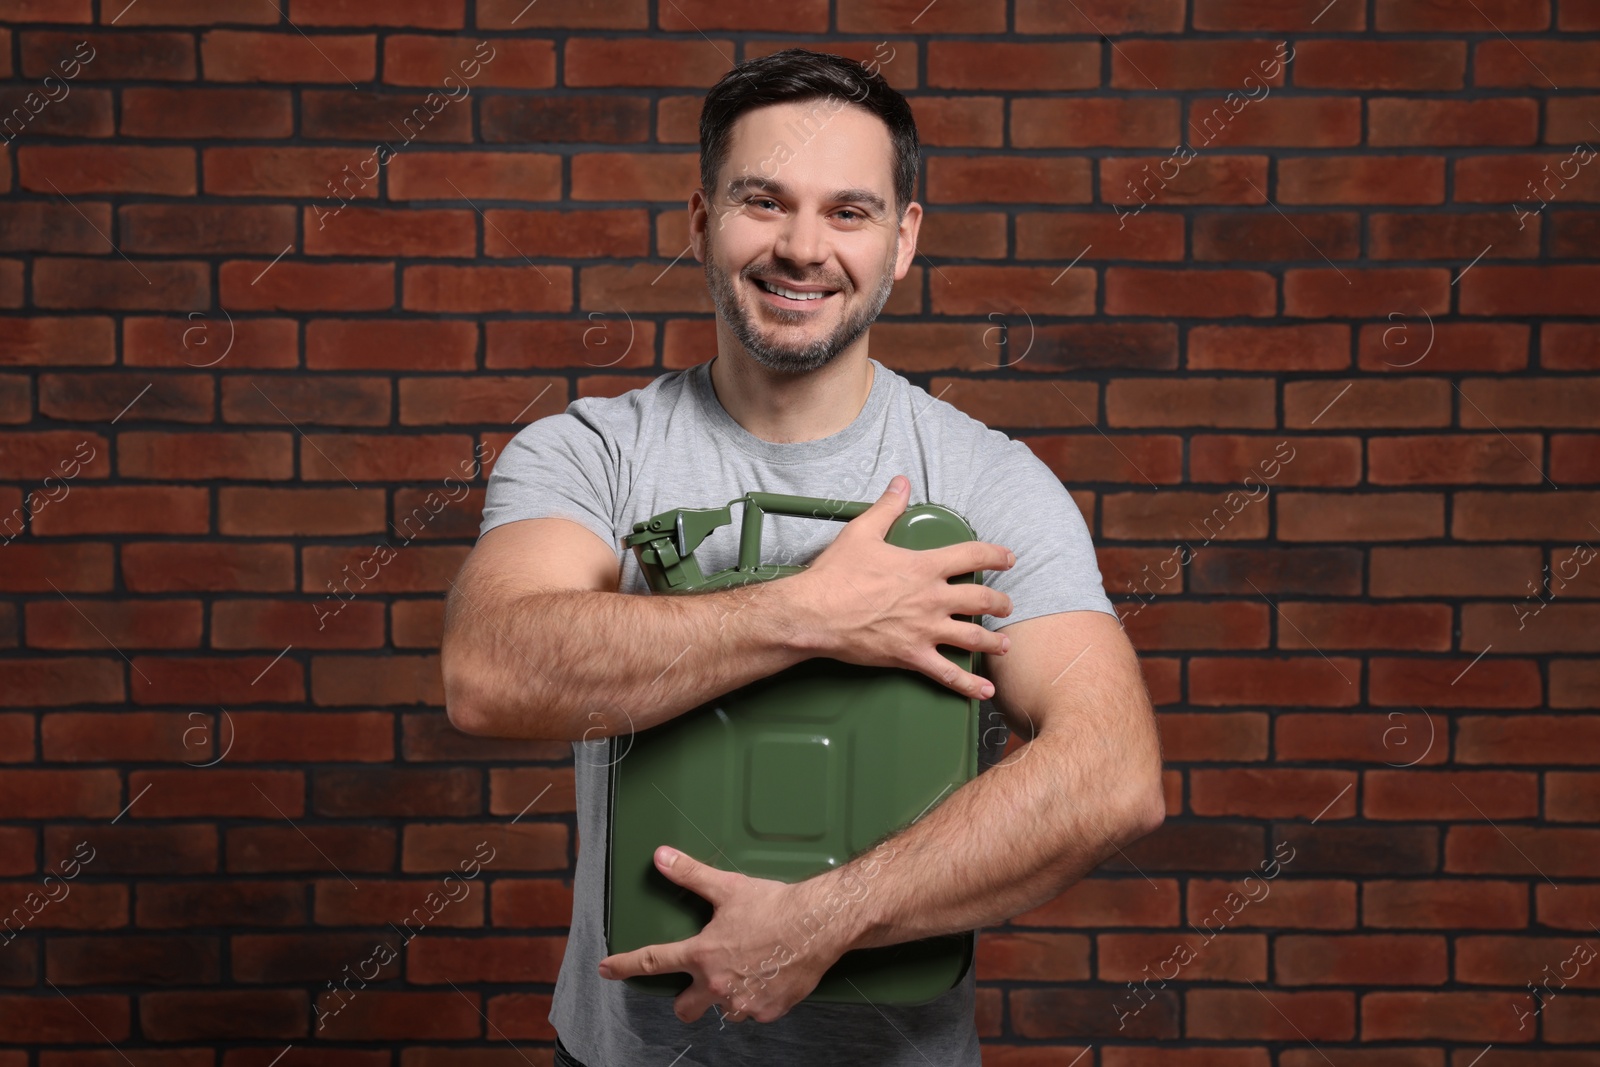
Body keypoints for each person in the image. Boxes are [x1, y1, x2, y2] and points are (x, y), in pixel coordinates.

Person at [441, 47, 1165, 1067]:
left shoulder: (985, 481)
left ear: (903, 239)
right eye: (763, 201)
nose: (801, 247)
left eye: (849, 211)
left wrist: (824, 917)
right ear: (700, 219)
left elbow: (1113, 774)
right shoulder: (593, 452)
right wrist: (812, 612)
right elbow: (489, 671)